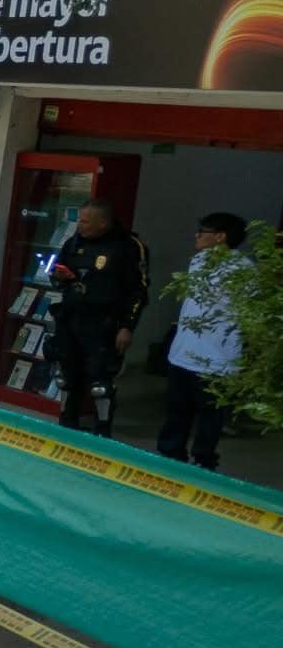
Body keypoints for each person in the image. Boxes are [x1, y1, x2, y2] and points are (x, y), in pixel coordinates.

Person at [156, 212, 249, 470]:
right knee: (177, 412)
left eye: (203, 231)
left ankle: (203, 462)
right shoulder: (198, 261)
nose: (196, 236)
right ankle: (170, 455)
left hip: (216, 360)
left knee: (209, 418)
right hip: (183, 354)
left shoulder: (242, 271)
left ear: (221, 237)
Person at [50, 199, 149, 435]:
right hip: (71, 319)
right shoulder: (74, 242)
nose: (80, 225)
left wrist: (127, 327)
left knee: (99, 383)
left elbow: (138, 291)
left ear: (103, 223)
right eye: (79, 220)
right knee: (66, 377)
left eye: (85, 221)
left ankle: (102, 429)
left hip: (104, 324)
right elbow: (56, 273)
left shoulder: (127, 247)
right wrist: (59, 277)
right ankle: (67, 423)